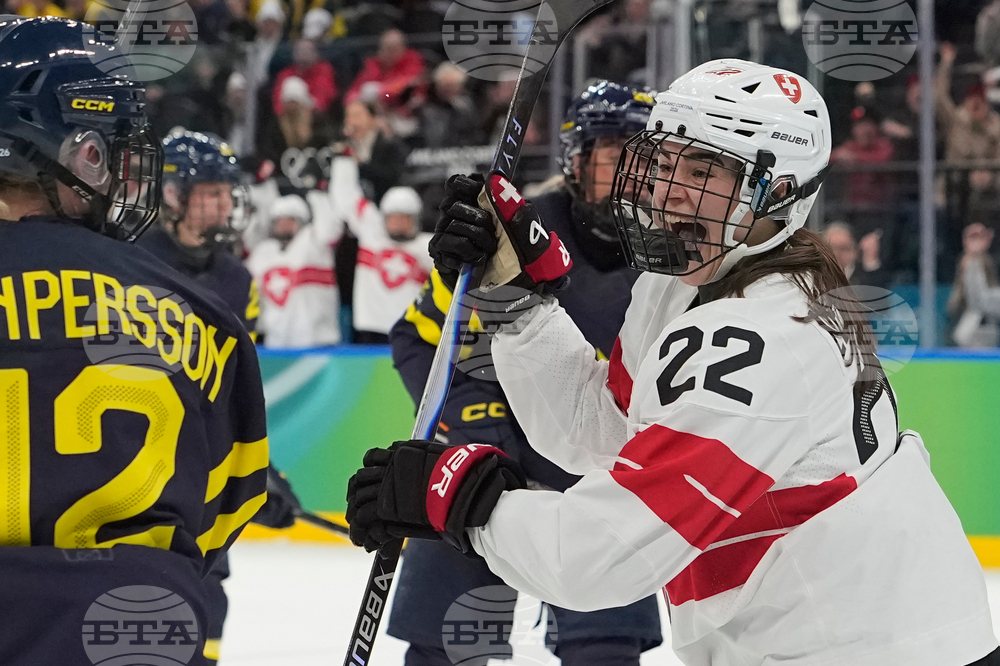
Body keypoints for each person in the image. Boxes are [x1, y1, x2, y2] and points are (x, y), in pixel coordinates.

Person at [347, 60, 1000, 665]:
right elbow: (604, 432)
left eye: (704, 172)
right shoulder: (681, 282)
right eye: (664, 163)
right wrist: (519, 307)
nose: (669, 192)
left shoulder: (763, 339)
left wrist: (467, 499)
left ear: (776, 194)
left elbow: (602, 556)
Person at [0, 17, 269, 665]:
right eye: (115, 151)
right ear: (82, 153)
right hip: (137, 630)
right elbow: (223, 518)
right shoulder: (208, 314)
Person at [382, 82, 663, 666]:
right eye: (613, 153)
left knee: (606, 650)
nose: (629, 173)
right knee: (444, 643)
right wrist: (477, 432)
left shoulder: (677, 256)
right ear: (577, 160)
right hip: (488, 463)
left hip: (596, 475)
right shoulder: (515, 233)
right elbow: (420, 339)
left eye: (645, 158)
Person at [140, 129, 303, 663]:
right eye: (208, 192)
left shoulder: (237, 280)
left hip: (200, 474)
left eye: (224, 194)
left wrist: (260, 473)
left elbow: (234, 393)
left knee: (207, 598)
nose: (222, 205)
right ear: (170, 194)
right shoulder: (129, 260)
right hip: (136, 467)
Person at [328, 157, 432, 343]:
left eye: (405, 217)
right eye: (394, 217)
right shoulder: (372, 233)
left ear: (416, 219)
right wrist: (344, 158)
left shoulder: (429, 247)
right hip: (370, 331)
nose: (399, 223)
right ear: (384, 218)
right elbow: (346, 197)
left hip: (413, 331)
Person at [245, 192, 344, 348]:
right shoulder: (263, 253)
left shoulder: (314, 242)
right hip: (276, 342)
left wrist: (318, 194)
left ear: (302, 222)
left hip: (318, 341)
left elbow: (330, 228)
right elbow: (249, 294)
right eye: (279, 221)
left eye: (290, 220)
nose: (284, 225)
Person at [949, 222, 1000, 347]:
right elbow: (978, 301)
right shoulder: (970, 263)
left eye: (983, 236)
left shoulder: (986, 261)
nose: (979, 240)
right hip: (972, 331)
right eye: (974, 236)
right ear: (966, 240)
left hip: (987, 331)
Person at [822, 220, 892, 289]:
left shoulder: (867, 281)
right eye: (831, 248)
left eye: (843, 248)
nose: (836, 254)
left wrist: (870, 262)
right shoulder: (816, 277)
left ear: (854, 252)